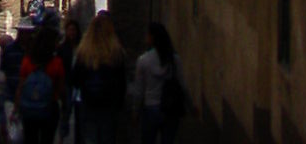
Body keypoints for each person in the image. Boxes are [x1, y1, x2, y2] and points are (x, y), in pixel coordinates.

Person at [71, 14, 126, 144]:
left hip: (88, 103)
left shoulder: (83, 52)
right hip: (109, 106)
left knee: (90, 138)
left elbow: (75, 79)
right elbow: (121, 82)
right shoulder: (116, 53)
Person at [132, 23, 183, 144]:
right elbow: (182, 84)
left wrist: (135, 111)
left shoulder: (143, 61)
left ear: (152, 37)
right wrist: (191, 106)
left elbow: (139, 89)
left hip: (150, 107)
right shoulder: (174, 59)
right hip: (169, 108)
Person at [17, 27, 66, 144]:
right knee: (47, 139)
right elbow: (61, 89)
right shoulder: (56, 63)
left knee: (30, 138)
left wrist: (17, 107)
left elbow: (21, 86)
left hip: (29, 108)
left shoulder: (27, 61)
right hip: (50, 107)